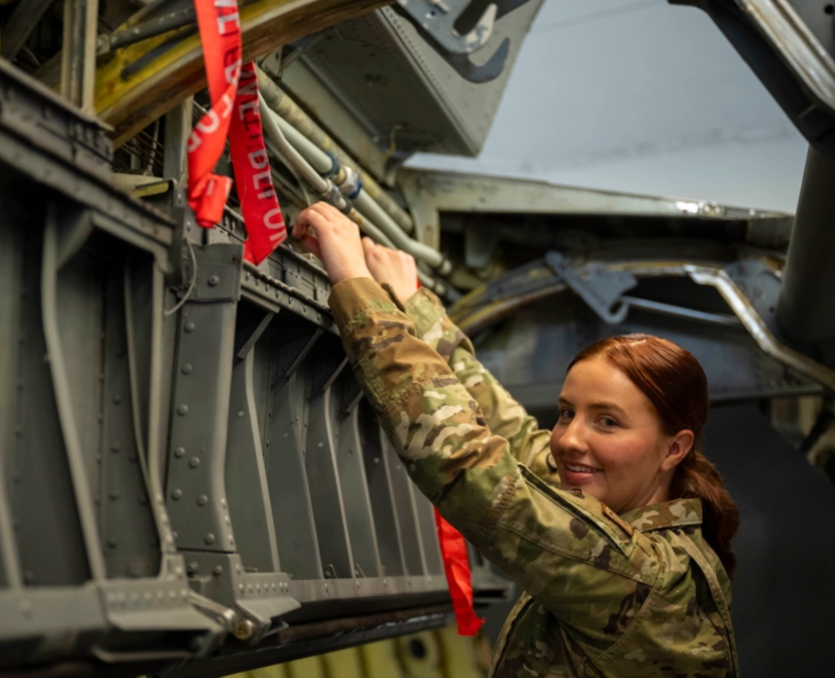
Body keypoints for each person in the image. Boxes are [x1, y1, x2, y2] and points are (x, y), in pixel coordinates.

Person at [293, 202, 741, 678]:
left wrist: (356, 289)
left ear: (674, 448)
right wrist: (416, 306)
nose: (569, 439)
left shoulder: (641, 574)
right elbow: (516, 437)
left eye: (607, 422)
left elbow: (472, 468)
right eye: (568, 412)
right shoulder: (625, 514)